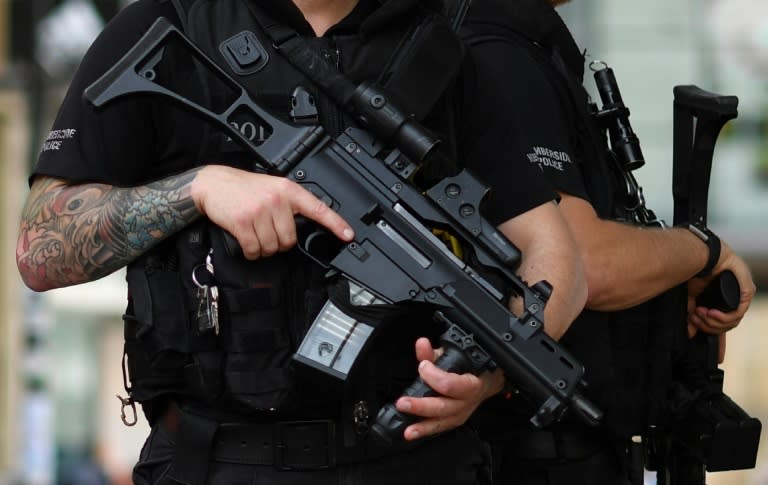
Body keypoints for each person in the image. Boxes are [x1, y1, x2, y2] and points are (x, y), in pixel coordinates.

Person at [15, 0, 588, 484]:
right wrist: (200, 188)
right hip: (212, 462)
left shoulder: (439, 51)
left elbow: (557, 258)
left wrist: (484, 378)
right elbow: (41, 247)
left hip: (413, 460)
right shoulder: (170, 25)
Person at [455, 0, 758, 483]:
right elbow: (584, 267)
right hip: (538, 451)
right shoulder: (498, 55)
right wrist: (703, 251)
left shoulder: (515, 44)